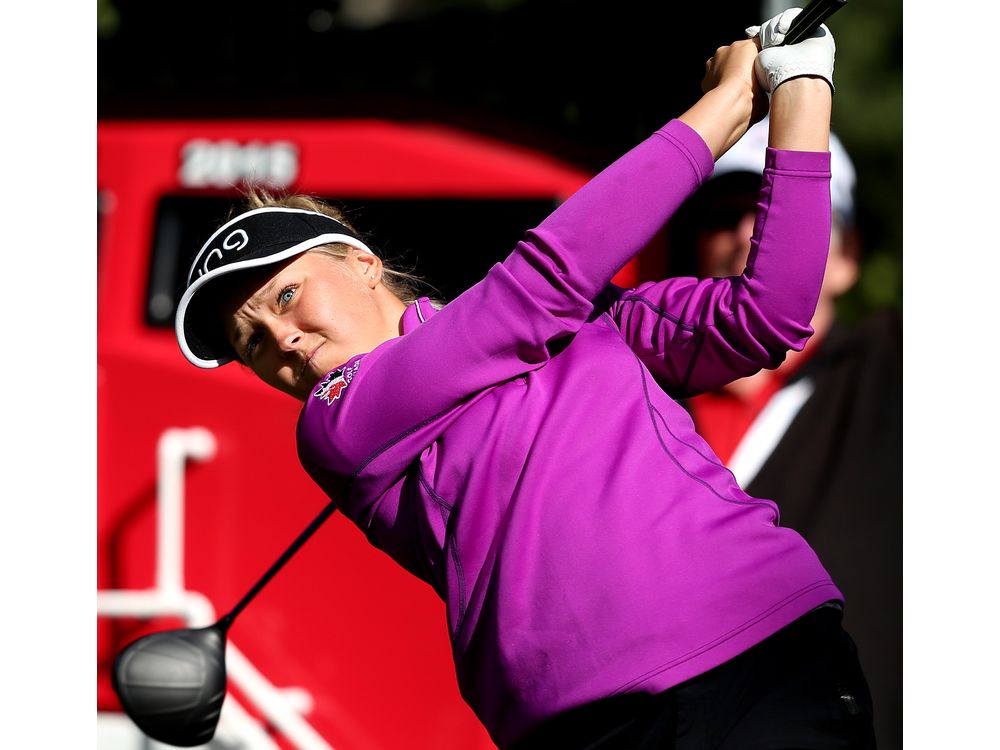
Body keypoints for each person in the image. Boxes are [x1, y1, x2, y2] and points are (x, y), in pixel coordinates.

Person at [174, 10, 876, 749]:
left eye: (285, 295)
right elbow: (535, 288)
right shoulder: (335, 424)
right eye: (250, 340)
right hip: (595, 729)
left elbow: (769, 314)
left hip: (764, 653)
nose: (280, 338)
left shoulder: (580, 323)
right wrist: (724, 108)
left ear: (361, 263)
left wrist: (801, 89)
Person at [658, 116, 902, 749]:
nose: (749, 235)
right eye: (725, 215)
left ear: (847, 257)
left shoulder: (897, 372)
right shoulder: (635, 401)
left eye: (781, 213)